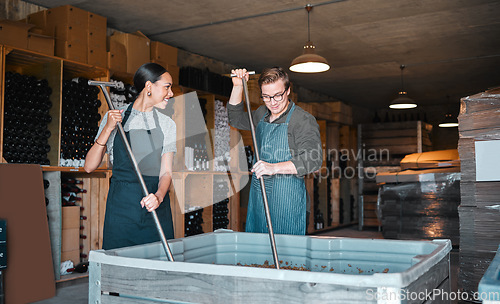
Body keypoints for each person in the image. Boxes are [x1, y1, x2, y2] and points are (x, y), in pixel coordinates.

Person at [84, 63, 176, 250]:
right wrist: (108, 128)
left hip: (155, 206)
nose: (171, 93)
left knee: (158, 268)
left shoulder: (167, 124)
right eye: (167, 87)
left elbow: (166, 172)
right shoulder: (116, 118)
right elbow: (89, 166)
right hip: (122, 209)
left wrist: (158, 197)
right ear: (149, 86)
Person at [228, 67, 322, 235]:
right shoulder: (261, 114)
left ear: (288, 90)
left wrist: (274, 168)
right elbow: (235, 119)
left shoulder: (302, 120)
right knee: (259, 256)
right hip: (260, 198)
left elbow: (313, 159)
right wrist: (237, 86)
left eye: (278, 95)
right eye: (266, 97)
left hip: (288, 203)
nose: (273, 102)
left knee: (288, 258)